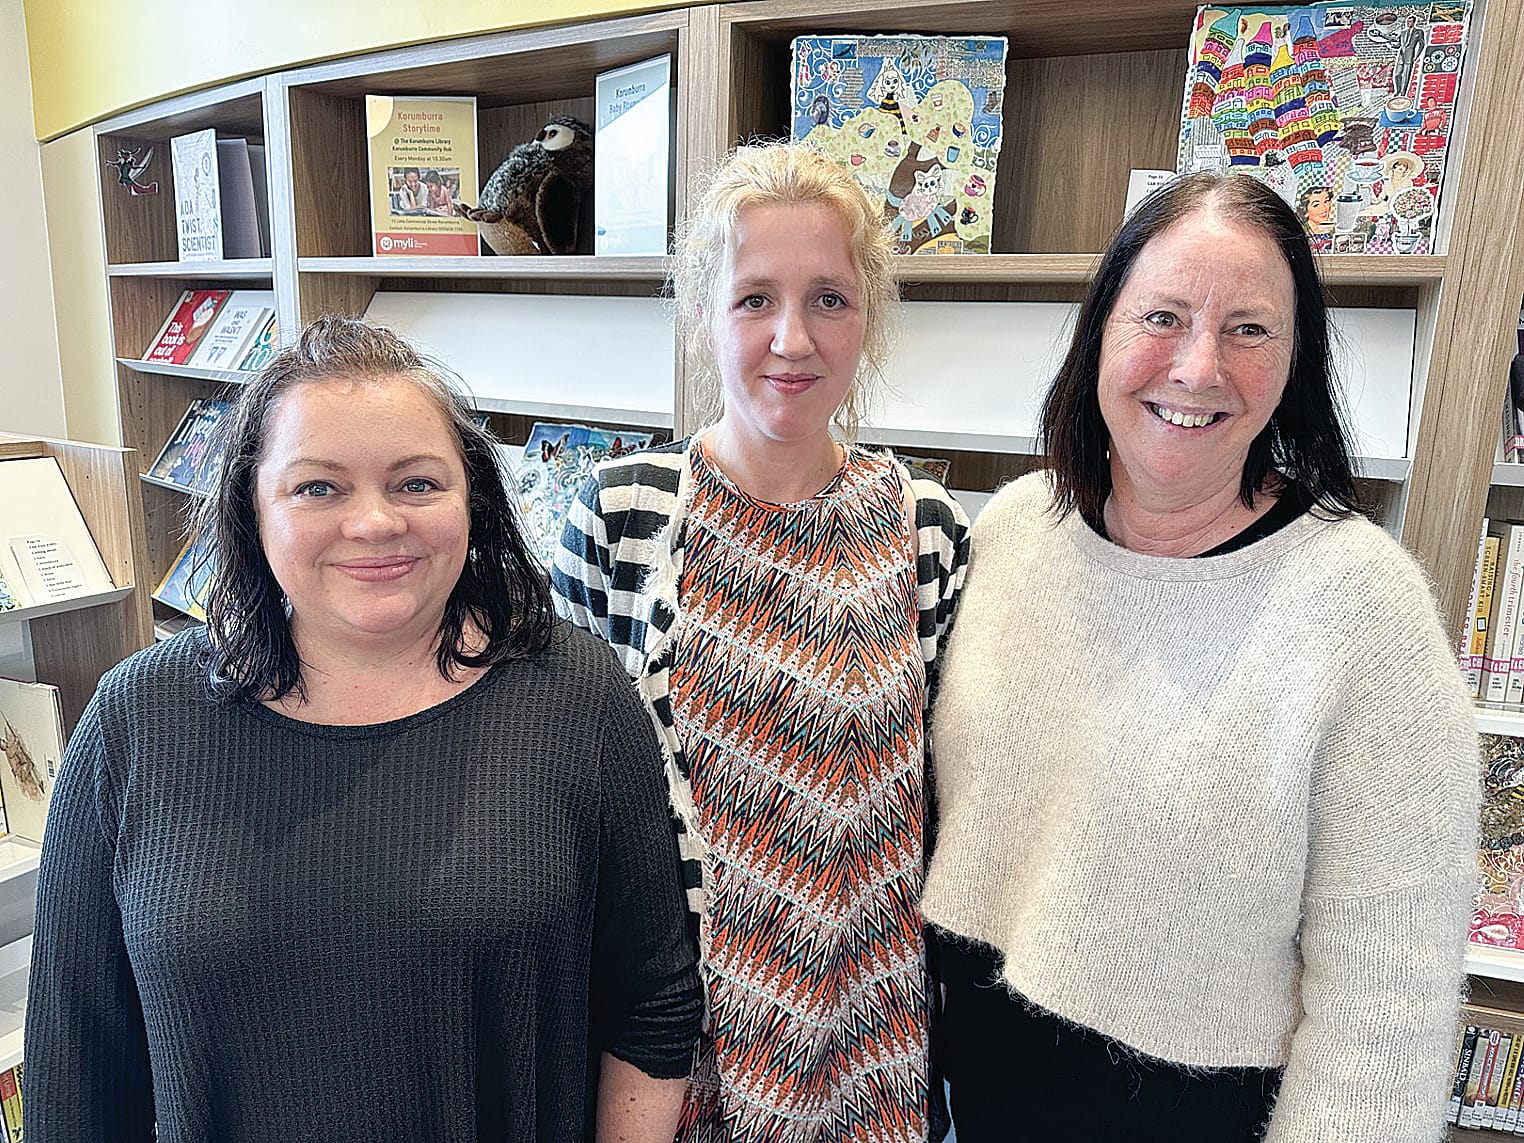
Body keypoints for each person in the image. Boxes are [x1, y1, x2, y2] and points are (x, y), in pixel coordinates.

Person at [25, 317, 702, 1142]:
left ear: (472, 498)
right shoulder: (133, 723)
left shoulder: (579, 699)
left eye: (417, 483)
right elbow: (77, 1064)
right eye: (319, 487)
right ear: (252, 505)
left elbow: (652, 1006)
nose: (375, 523)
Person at [920, 170, 1479, 1143]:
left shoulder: (1364, 612)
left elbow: (1385, 1013)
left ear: (1295, 362)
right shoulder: (1012, 532)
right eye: (1163, 316)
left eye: (1249, 329)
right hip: (979, 1104)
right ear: (1101, 332)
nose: (1196, 367)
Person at [551, 141, 969, 1143]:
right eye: (753, 300)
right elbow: (568, 801)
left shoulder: (926, 531)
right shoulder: (623, 518)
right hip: (671, 1059)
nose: (793, 338)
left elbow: (940, 806)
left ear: (868, 319)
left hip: (871, 1046)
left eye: (829, 297)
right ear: (704, 316)